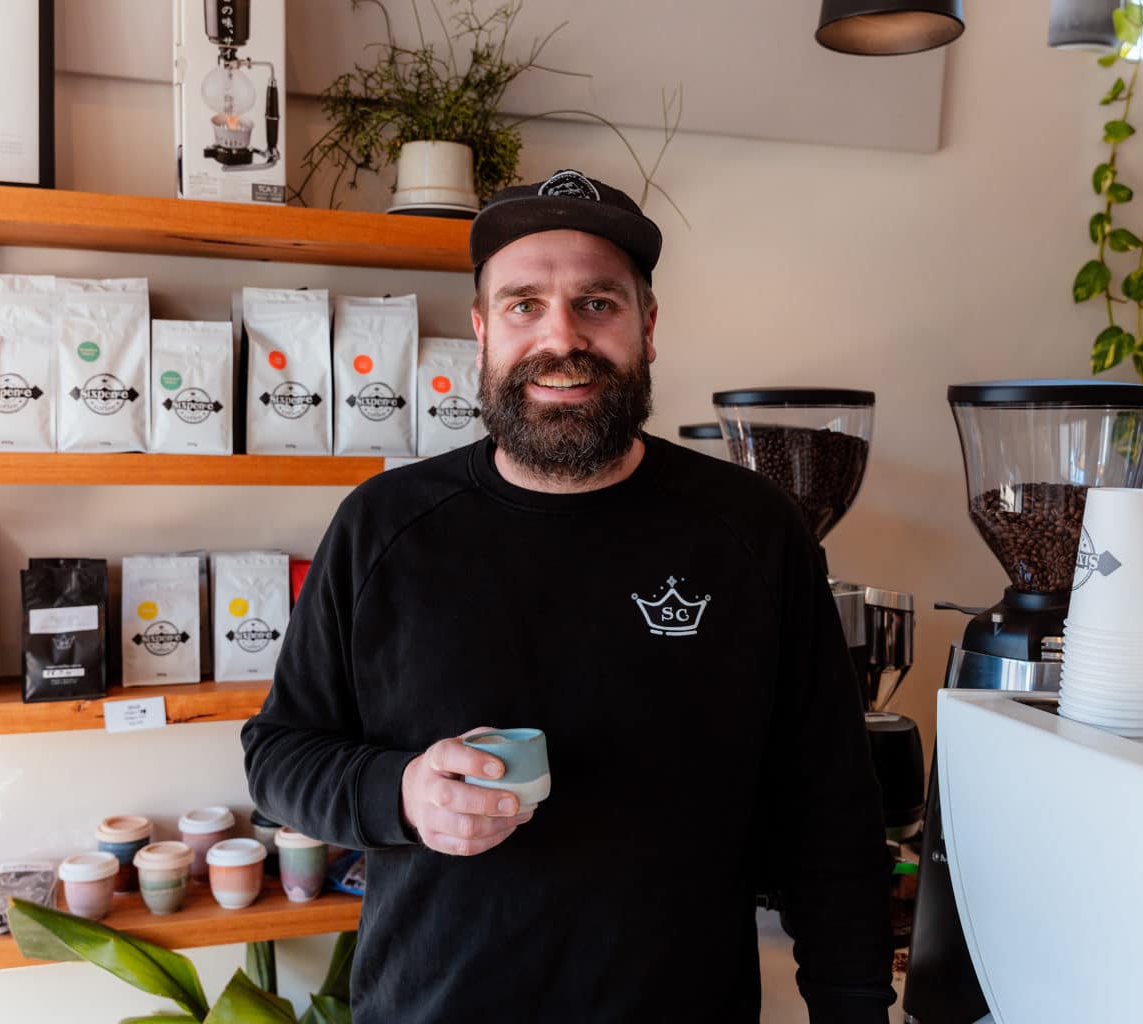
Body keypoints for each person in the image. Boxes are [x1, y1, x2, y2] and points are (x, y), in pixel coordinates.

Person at [242, 169, 894, 1022]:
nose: (563, 337)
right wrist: (400, 793)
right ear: (481, 331)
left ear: (647, 327)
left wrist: (853, 1008)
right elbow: (278, 755)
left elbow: (831, 807)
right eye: (523, 305)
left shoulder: (753, 528)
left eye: (597, 303)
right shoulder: (384, 526)